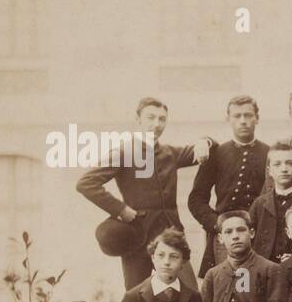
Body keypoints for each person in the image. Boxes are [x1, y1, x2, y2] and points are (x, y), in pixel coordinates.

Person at [77, 96, 210, 290]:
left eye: (162, 119)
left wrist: (204, 141)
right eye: (151, 117)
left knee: (190, 293)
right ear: (138, 119)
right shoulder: (123, 152)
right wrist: (121, 209)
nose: (156, 124)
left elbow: (209, 149)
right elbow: (86, 183)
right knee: (137, 297)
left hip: (172, 236)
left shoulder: (170, 153)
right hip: (137, 237)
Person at [187, 95, 269, 277]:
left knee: (257, 287)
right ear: (228, 119)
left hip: (260, 234)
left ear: (257, 118)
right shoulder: (216, 154)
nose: (243, 121)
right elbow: (196, 199)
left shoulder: (269, 153)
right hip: (224, 235)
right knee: (223, 286)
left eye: (248, 115)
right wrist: (217, 224)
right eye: (237, 116)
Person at [247, 143, 292, 264]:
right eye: (277, 164)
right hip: (265, 270)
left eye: (289, 163)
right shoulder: (259, 204)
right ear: (269, 171)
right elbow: (248, 239)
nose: (284, 169)